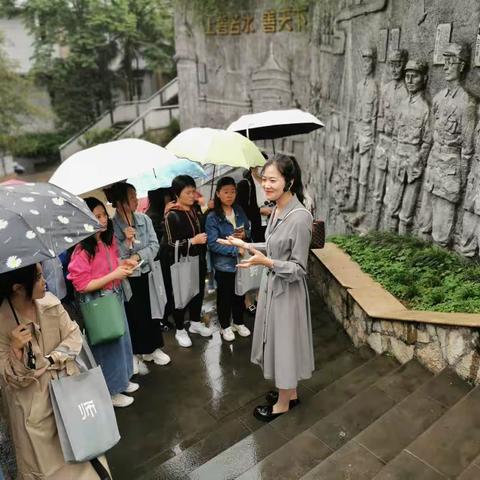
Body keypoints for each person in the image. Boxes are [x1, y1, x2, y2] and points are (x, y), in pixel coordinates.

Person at [219, 154, 314, 422]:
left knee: (284, 345)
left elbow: (300, 268)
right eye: (264, 179)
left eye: (273, 180)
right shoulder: (278, 210)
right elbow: (272, 248)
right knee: (278, 342)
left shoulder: (300, 217)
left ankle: (284, 403)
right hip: (274, 288)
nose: (266, 185)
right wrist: (245, 246)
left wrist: (267, 262)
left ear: (290, 181)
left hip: (288, 292)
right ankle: (290, 392)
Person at [0, 263, 110, 479]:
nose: (45, 281)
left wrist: (51, 359)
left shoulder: (50, 303)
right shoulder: (2, 323)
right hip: (32, 411)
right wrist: (16, 351)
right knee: (47, 468)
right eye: (39, 277)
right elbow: (8, 378)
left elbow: (74, 336)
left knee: (85, 457)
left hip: (68, 392)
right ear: (18, 288)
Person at [67, 197, 138, 408]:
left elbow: (111, 265)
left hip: (114, 298)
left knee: (122, 341)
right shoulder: (81, 250)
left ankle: (122, 380)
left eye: (103, 214)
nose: (103, 219)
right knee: (109, 347)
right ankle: (111, 390)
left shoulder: (106, 241)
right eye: (96, 216)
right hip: (100, 305)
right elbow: (81, 285)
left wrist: (123, 264)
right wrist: (114, 274)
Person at [106, 182, 170, 375]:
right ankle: (135, 354)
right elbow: (112, 256)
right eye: (132, 197)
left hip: (147, 273)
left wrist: (138, 256)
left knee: (151, 312)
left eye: (135, 195)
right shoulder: (111, 227)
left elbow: (154, 245)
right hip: (127, 279)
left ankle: (153, 349)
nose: (136, 200)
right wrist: (125, 242)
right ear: (119, 202)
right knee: (133, 315)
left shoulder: (143, 219)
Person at [162, 175, 213, 347]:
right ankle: (180, 329)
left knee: (197, 291)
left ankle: (195, 322)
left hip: (197, 259)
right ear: (177, 194)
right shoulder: (171, 215)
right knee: (180, 294)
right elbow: (169, 244)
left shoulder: (194, 210)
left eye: (193, 191)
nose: (193, 195)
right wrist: (193, 241)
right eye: (188, 192)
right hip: (180, 262)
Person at [205, 177, 251, 342]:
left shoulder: (238, 210)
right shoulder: (212, 217)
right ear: (218, 194)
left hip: (241, 262)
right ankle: (225, 326)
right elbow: (212, 243)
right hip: (224, 265)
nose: (229, 195)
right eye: (225, 192)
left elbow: (247, 229)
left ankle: (238, 322)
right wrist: (235, 249)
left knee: (240, 293)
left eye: (233, 191)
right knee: (225, 297)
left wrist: (245, 234)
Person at [237, 165, 273, 316]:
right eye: (259, 165)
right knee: (250, 263)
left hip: (268, 228)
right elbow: (241, 207)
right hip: (253, 229)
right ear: (252, 167)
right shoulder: (246, 184)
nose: (262, 168)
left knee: (264, 262)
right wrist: (259, 211)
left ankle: (260, 296)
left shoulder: (269, 182)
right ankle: (248, 300)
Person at [145, 188, 175, 330]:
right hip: (159, 261)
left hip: (166, 259)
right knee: (163, 289)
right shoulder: (152, 216)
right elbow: (157, 241)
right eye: (167, 195)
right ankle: (162, 319)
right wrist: (164, 217)